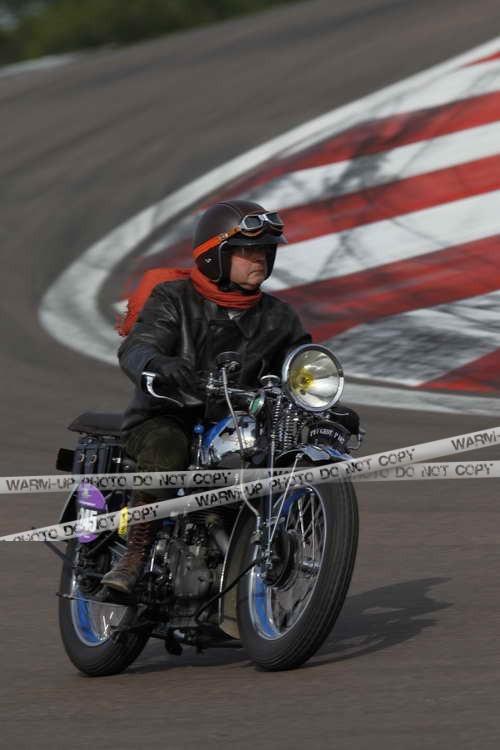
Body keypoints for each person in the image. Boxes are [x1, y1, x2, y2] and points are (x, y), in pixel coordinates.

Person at [102, 199, 356, 594]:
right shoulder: (173, 298)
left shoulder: (279, 317)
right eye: (247, 252)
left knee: (272, 457)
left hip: (239, 423)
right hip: (168, 415)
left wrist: (327, 405)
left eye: (265, 252)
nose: (260, 260)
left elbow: (301, 370)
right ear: (215, 256)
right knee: (167, 448)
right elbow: (138, 345)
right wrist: (158, 364)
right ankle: (134, 556)